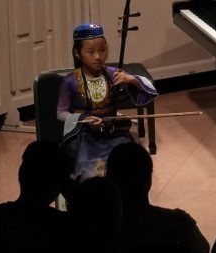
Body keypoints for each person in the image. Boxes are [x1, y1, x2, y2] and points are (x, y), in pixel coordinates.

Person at [55, 22, 158, 182]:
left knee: (130, 164)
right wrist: (84, 119)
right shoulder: (70, 81)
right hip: (85, 136)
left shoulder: (112, 73)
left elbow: (150, 90)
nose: (98, 56)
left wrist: (130, 79)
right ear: (78, 53)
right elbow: (61, 113)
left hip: (114, 132)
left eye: (102, 50)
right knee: (90, 171)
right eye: (91, 52)